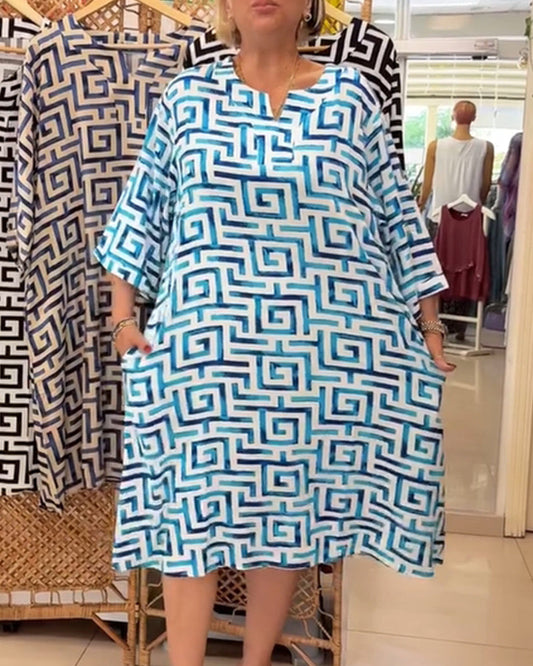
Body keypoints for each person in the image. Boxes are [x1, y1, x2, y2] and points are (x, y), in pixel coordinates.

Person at [94, 1, 455, 665]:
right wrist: (122, 319)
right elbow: (143, 208)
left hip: (315, 357)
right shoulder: (188, 98)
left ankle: (258, 660)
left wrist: (428, 326)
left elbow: (395, 216)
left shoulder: (351, 98)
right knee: (189, 519)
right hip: (201, 353)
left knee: (285, 520)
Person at [418, 100, 494, 215]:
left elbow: (427, 185)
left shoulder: (435, 146)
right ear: (474, 118)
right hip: (471, 212)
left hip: (440, 213)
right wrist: (480, 203)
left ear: (452, 117)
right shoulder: (486, 147)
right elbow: (486, 184)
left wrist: (421, 204)